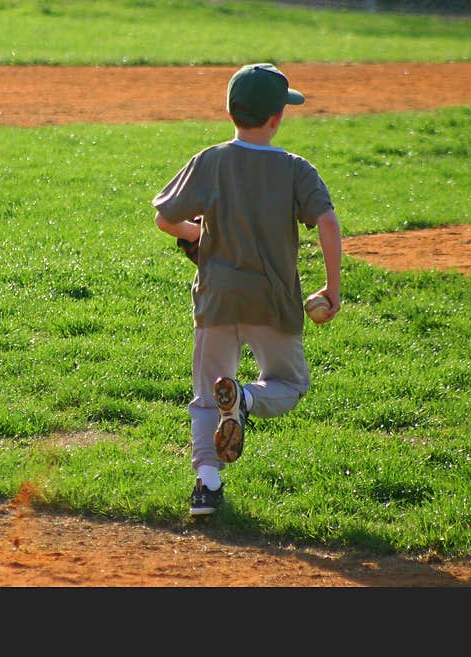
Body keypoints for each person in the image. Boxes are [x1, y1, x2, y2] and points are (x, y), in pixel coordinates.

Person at [151, 63, 342, 517]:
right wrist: (332, 289)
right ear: (276, 119)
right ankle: (248, 398)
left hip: (217, 294)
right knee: (291, 384)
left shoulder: (211, 160)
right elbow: (328, 223)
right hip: (273, 299)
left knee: (206, 390)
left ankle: (207, 485)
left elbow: (165, 218)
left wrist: (197, 236)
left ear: (231, 110)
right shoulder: (295, 169)